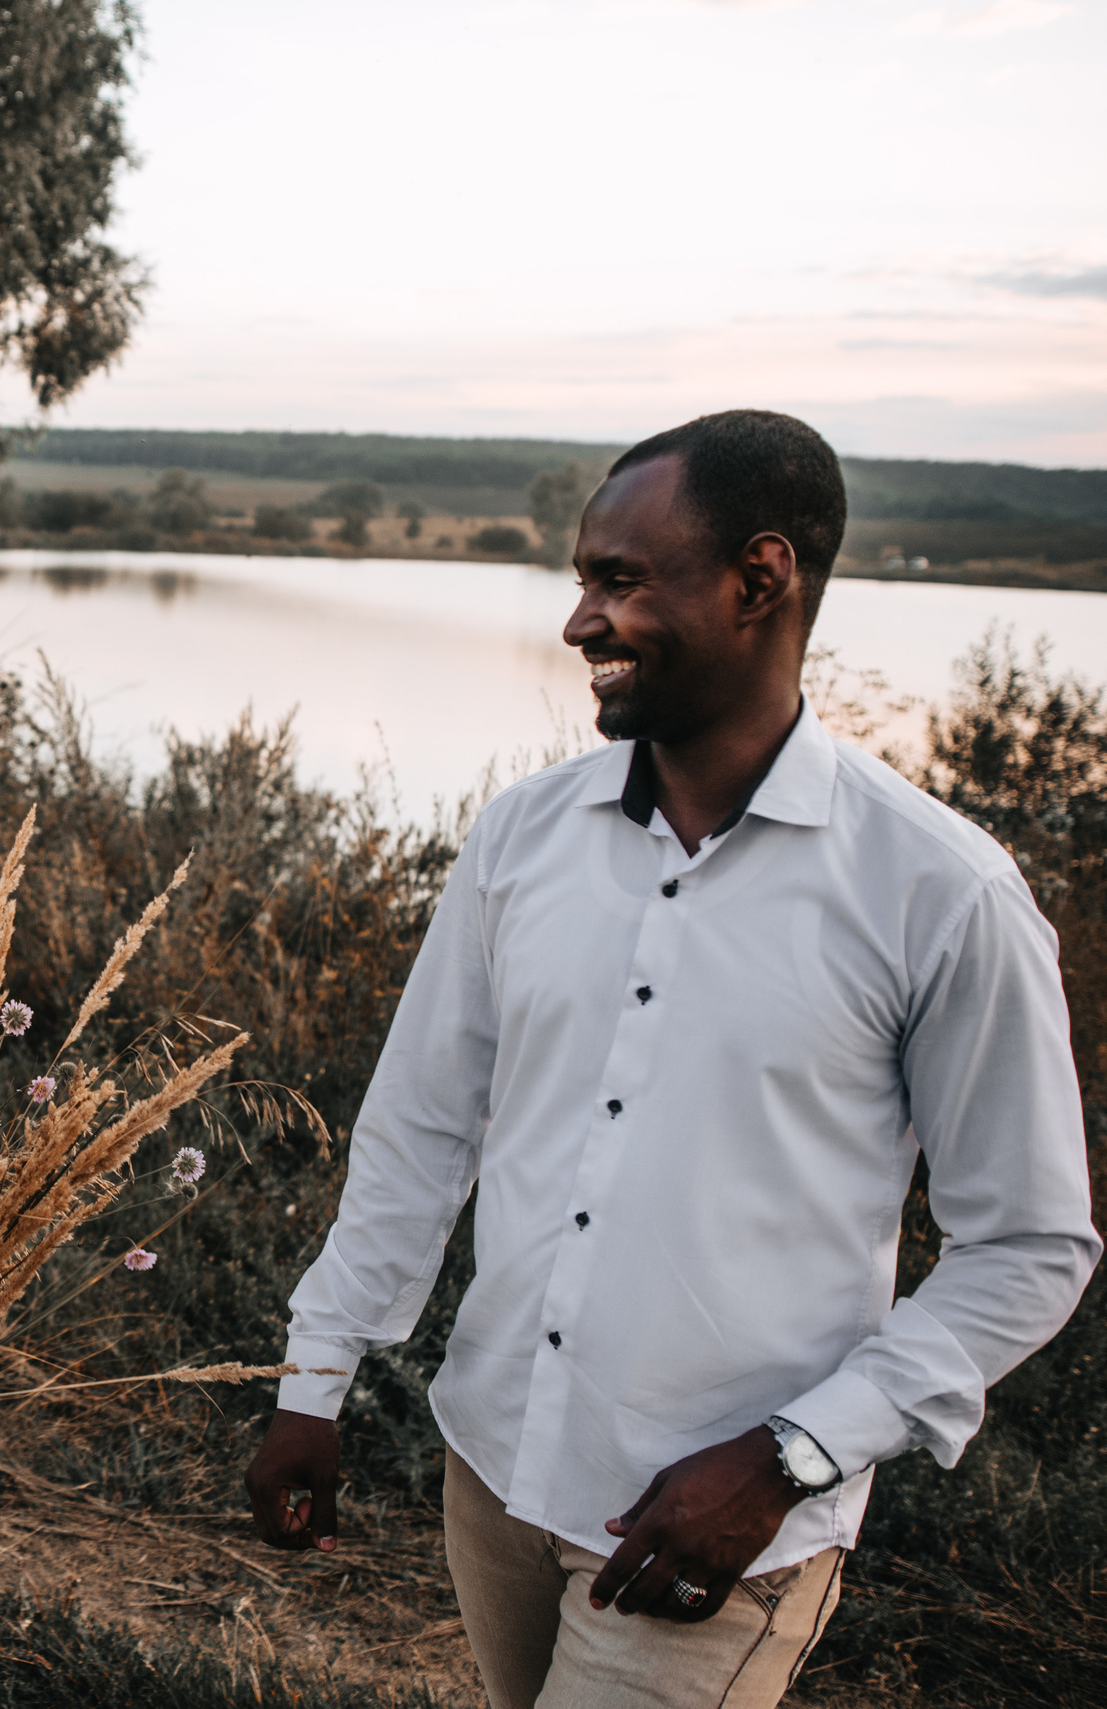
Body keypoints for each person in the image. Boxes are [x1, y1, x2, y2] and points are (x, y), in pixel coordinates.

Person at [241, 410, 1098, 1709]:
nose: (580, 620)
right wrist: (316, 1379)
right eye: (583, 579)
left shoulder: (940, 893)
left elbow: (1029, 1247)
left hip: (715, 1535)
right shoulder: (522, 837)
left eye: (621, 581)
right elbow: (423, 1125)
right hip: (494, 1469)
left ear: (761, 579)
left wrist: (789, 1457)